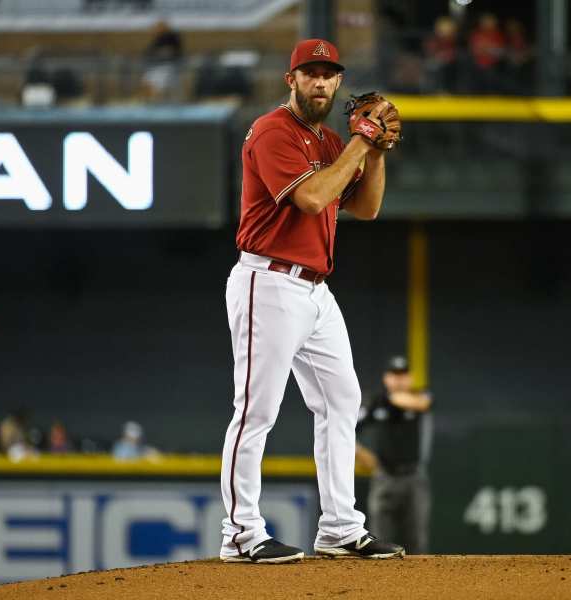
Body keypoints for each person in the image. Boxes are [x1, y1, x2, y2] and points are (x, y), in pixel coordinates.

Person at [219, 38, 404, 564]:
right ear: (291, 79)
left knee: (343, 400)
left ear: (339, 82)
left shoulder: (328, 141)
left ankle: (340, 527)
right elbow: (313, 198)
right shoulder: (272, 132)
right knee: (257, 410)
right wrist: (357, 143)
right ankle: (239, 531)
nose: (320, 82)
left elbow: (365, 209)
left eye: (329, 74)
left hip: (315, 291)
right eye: (310, 73)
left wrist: (374, 150)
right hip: (268, 282)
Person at [356, 356, 433, 554]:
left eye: (403, 375)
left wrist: (391, 397)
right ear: (386, 378)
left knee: (416, 539)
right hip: (384, 476)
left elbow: (422, 404)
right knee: (380, 540)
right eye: (394, 375)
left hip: (413, 477)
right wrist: (360, 453)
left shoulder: (419, 395)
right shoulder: (376, 403)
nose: (399, 380)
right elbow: (348, 430)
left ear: (410, 378)